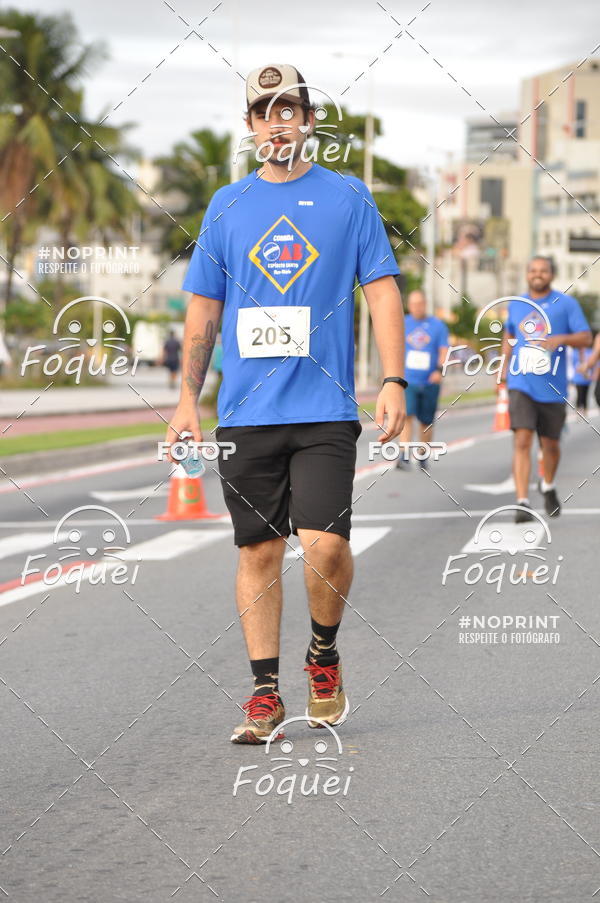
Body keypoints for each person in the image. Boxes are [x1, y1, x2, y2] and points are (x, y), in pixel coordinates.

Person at [163, 63, 407, 744]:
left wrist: (394, 379)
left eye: (289, 108)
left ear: (309, 120)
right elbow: (203, 307)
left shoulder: (348, 198)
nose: (277, 121)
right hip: (246, 411)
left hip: (325, 407)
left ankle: (323, 656)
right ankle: (265, 693)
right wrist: (186, 397)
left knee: (325, 546)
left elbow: (383, 291)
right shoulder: (227, 206)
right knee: (259, 552)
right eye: (263, 111)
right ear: (250, 126)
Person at [500, 256, 591, 522]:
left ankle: (548, 486)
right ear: (527, 274)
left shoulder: (566, 304)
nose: (537, 274)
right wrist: (503, 368)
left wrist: (562, 338)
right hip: (521, 383)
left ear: (551, 275)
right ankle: (522, 502)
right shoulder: (517, 304)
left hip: (553, 388)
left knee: (550, 444)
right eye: (533, 270)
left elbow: (585, 336)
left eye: (543, 270)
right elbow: (509, 337)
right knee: (522, 439)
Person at [396, 289, 448, 471]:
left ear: (425, 304)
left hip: (429, 380)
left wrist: (439, 370)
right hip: (408, 379)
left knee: (426, 420)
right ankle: (403, 455)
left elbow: (443, 350)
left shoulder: (437, 326)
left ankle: (423, 454)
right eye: (413, 304)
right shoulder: (403, 323)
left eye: (420, 303)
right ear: (409, 306)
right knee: (406, 415)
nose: (417, 307)